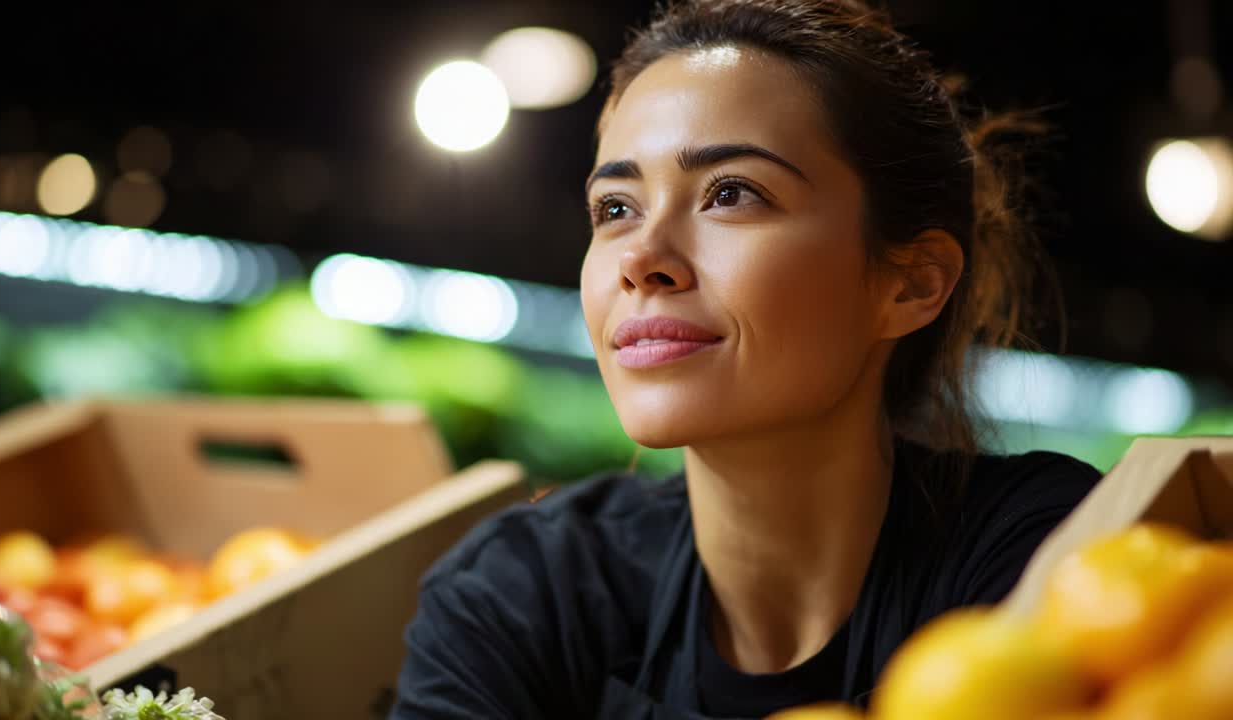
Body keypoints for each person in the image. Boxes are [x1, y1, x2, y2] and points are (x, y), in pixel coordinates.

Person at [392, 0, 1100, 717]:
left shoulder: (1049, 558)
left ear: (910, 281)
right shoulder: (525, 592)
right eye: (615, 209)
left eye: (730, 194)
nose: (642, 260)